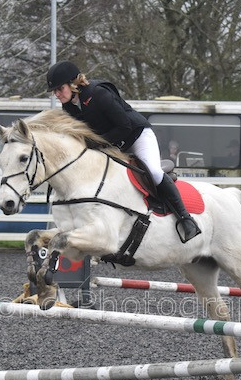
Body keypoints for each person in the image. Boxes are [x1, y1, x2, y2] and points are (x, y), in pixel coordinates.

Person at [46, 60, 201, 243]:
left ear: (73, 84)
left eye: (59, 89)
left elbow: (124, 126)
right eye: (54, 91)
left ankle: (185, 219)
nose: (56, 94)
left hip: (137, 136)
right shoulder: (69, 107)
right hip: (112, 144)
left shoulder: (99, 94)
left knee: (153, 172)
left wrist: (99, 144)